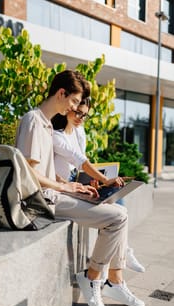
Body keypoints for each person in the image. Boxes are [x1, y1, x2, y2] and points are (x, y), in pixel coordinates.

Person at [15, 69, 145, 306]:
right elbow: (27, 173)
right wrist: (63, 186)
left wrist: (74, 186)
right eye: (74, 101)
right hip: (41, 201)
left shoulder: (43, 124)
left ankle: (113, 278)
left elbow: (44, 170)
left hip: (54, 194)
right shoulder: (34, 120)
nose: (73, 108)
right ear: (62, 93)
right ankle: (93, 275)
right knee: (118, 217)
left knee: (117, 211)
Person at [52, 98, 145, 274]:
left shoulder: (79, 132)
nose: (80, 118)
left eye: (85, 115)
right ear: (67, 109)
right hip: (63, 186)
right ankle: (121, 253)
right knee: (115, 208)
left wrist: (92, 180)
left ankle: (122, 252)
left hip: (77, 179)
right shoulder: (56, 135)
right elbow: (79, 160)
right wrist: (103, 179)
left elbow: (82, 162)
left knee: (116, 193)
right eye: (77, 112)